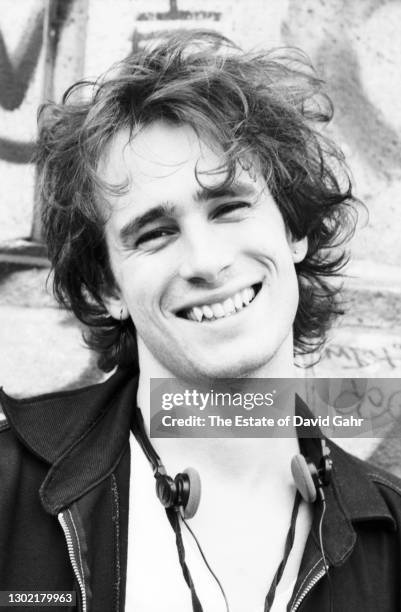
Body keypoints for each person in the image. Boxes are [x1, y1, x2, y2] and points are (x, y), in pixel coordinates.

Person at [1, 30, 401, 612]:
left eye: (230, 206)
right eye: (155, 233)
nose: (207, 261)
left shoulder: (390, 537)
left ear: (294, 230)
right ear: (109, 286)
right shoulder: (8, 490)